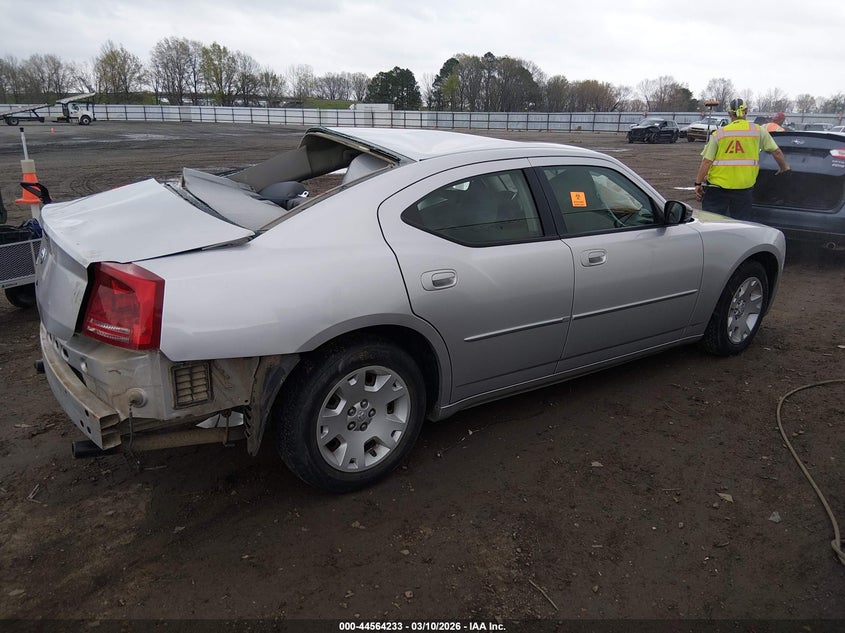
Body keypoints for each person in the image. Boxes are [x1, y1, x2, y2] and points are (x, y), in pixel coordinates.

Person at [694, 98, 791, 216]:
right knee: (741, 224)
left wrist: (698, 184)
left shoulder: (719, 134)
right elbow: (777, 152)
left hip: (717, 189)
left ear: (730, 114)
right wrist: (784, 167)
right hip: (743, 190)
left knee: (712, 223)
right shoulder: (758, 131)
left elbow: (706, 162)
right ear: (746, 111)